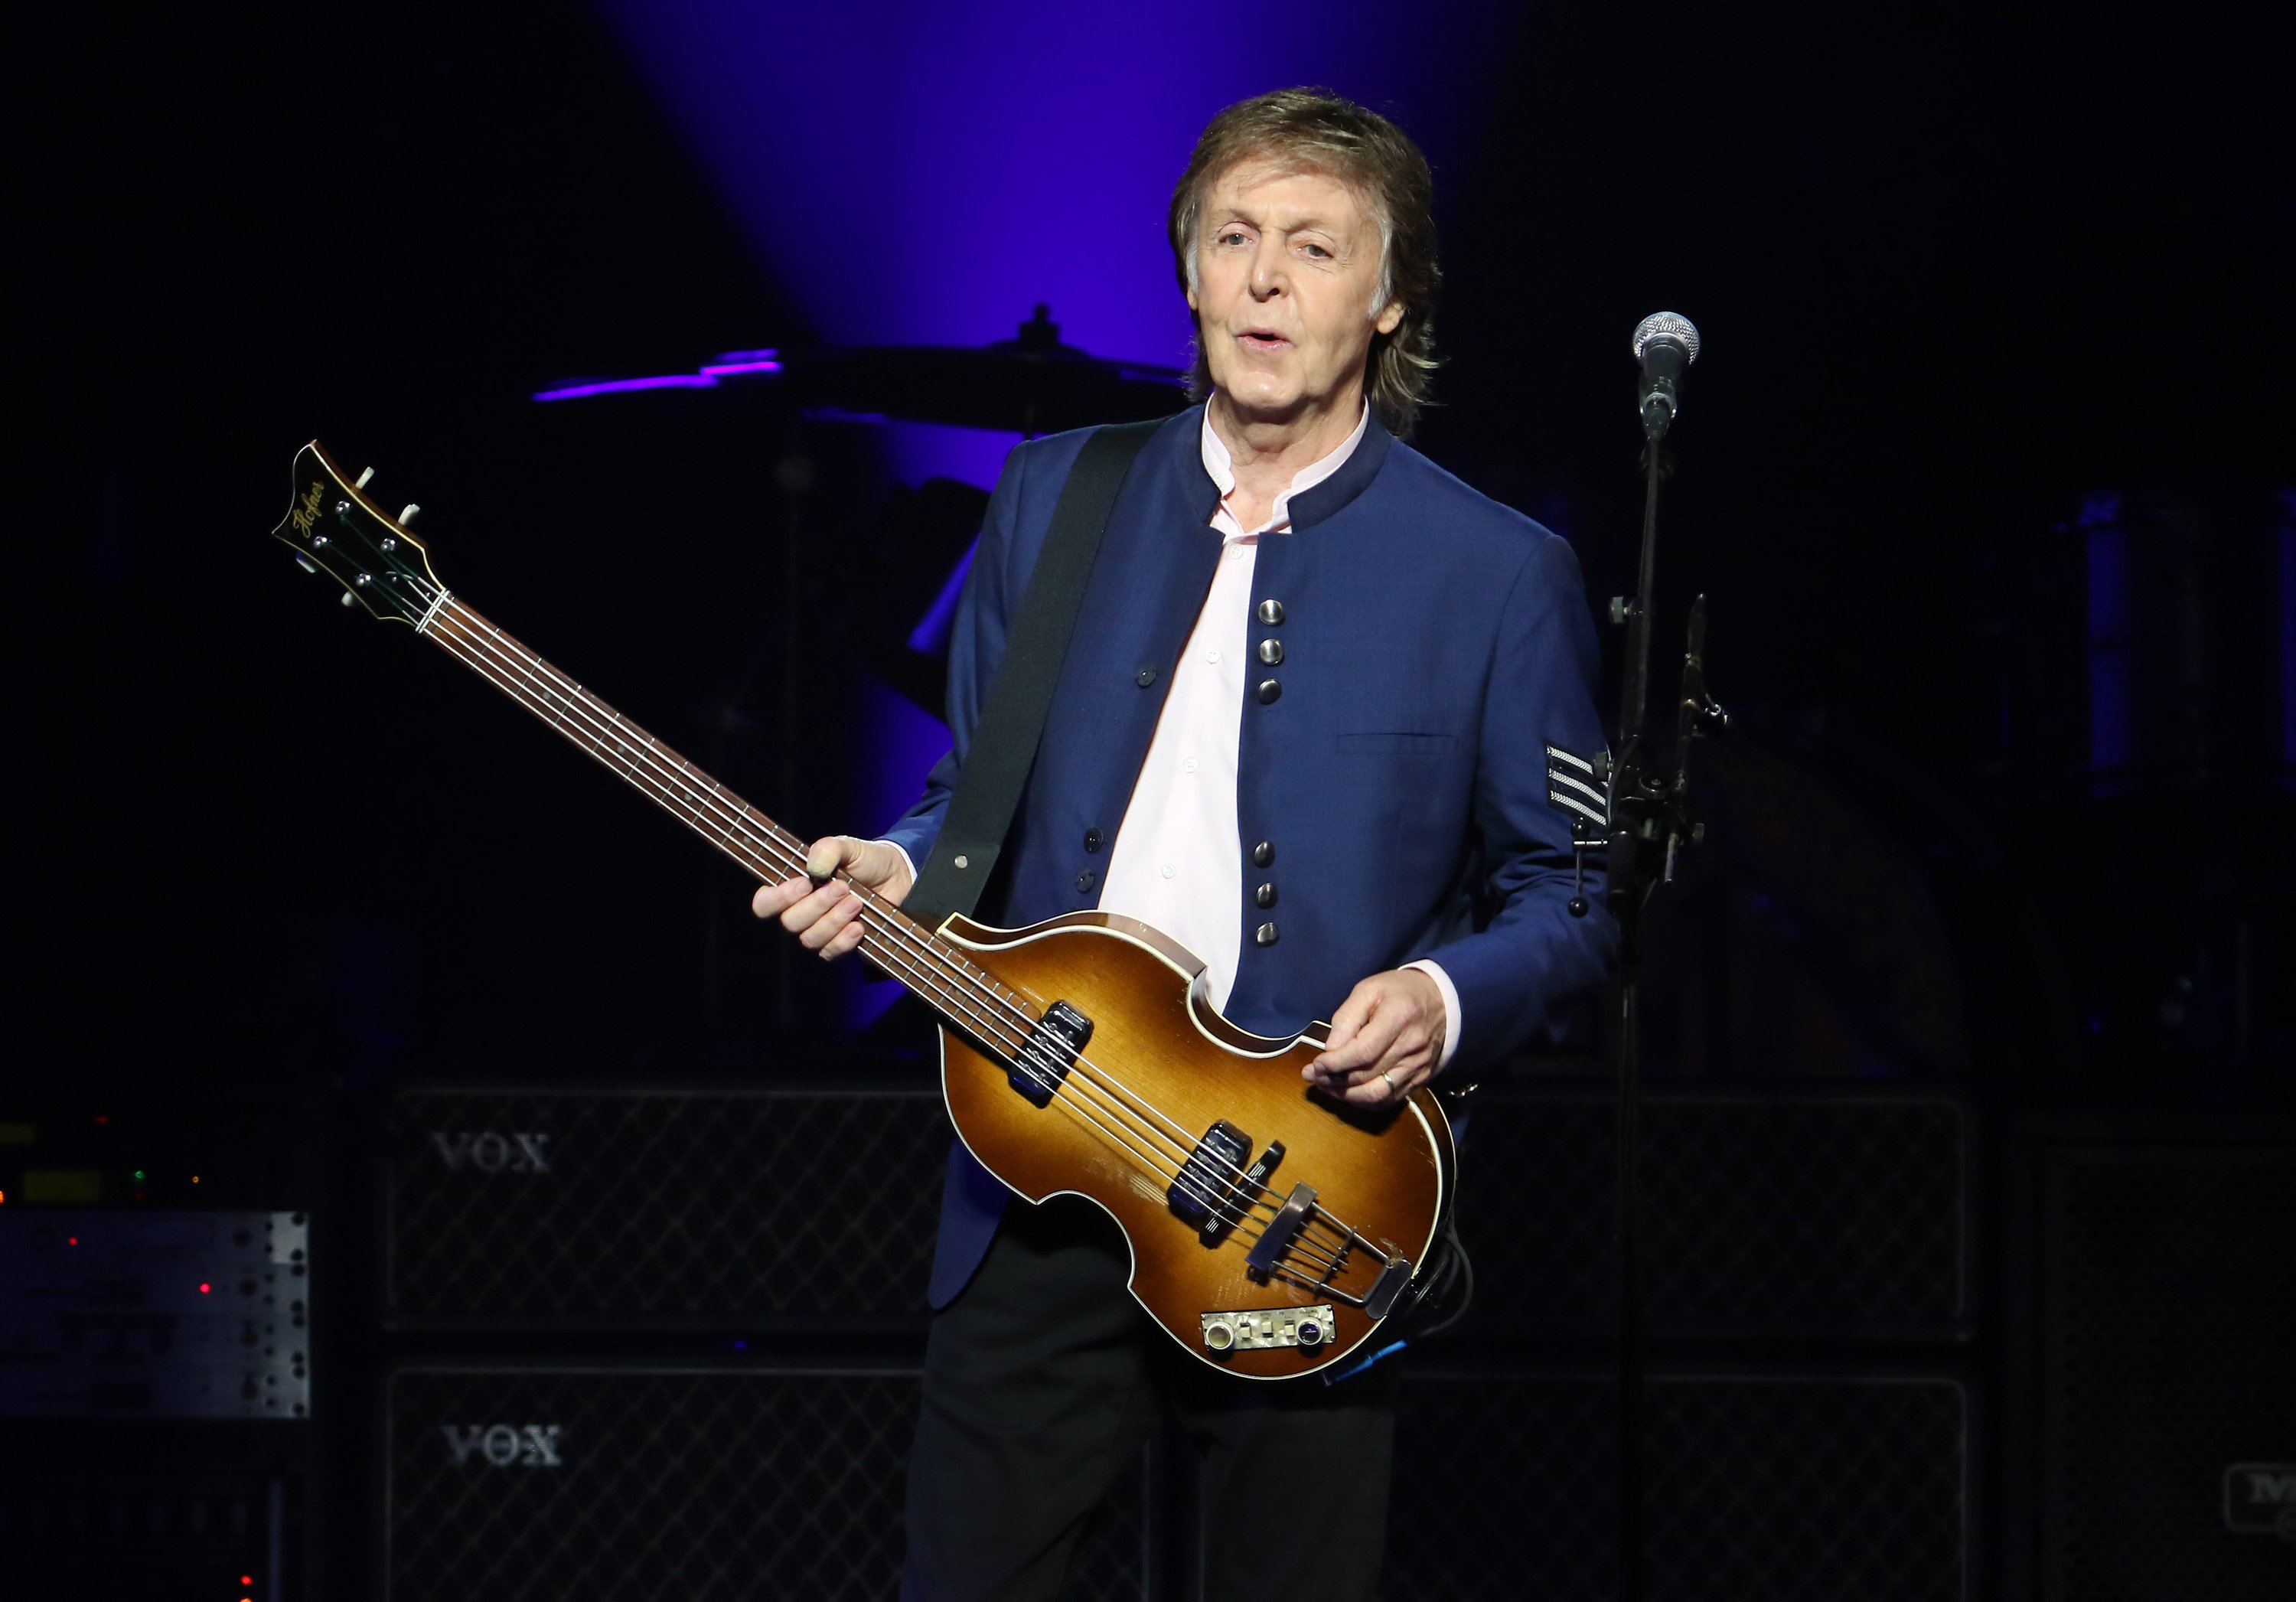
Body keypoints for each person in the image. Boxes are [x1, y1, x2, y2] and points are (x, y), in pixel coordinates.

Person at [755, 86, 1616, 1602]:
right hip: (1038, 1165)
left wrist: (1446, 997)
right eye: (1234, 238)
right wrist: (902, 861)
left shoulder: (1498, 571)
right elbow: (974, 793)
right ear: (1191, 272)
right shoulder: (1053, 495)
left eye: (1313, 246)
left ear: (1390, 296)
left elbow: (1570, 895)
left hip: (1303, 1190)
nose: (1267, 277)